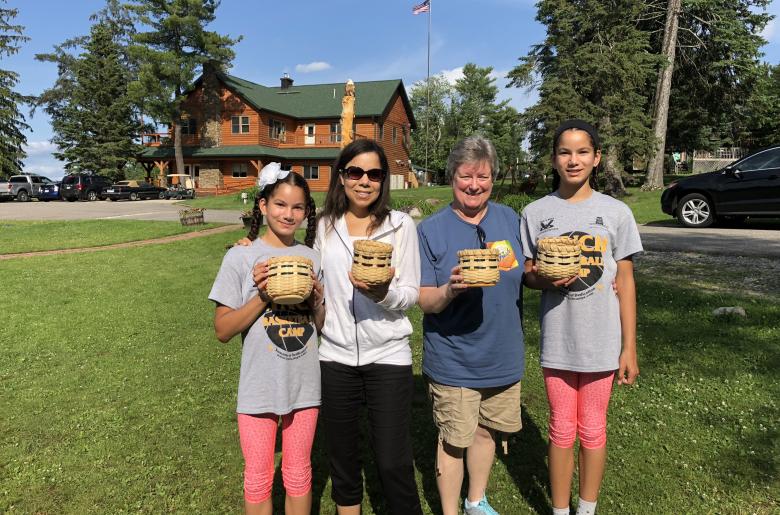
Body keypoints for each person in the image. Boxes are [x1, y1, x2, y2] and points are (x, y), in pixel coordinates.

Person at [520, 120, 642, 515]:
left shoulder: (616, 212)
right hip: (558, 341)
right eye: (565, 152)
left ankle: (586, 510)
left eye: (582, 152)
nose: (573, 160)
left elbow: (624, 279)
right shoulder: (536, 212)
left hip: (602, 343)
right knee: (560, 427)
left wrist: (629, 348)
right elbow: (528, 274)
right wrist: (546, 278)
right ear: (554, 159)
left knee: (592, 428)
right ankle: (559, 510)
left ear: (597, 158)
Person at [417, 135, 525, 515]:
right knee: (453, 438)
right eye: (466, 176)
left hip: (502, 353)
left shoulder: (510, 219)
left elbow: (526, 274)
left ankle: (476, 501)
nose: (474, 185)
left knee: (486, 431)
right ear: (452, 177)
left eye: (482, 176)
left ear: (493, 178)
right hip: (455, 358)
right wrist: (450, 289)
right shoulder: (431, 230)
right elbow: (424, 299)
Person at [209, 163, 325, 515]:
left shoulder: (311, 258)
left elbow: (320, 325)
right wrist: (262, 295)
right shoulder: (240, 257)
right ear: (262, 205)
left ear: (306, 212)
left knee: (299, 474)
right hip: (258, 388)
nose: (288, 214)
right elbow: (223, 330)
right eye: (280, 204)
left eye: (297, 207)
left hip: (304, 387)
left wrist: (316, 301)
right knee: (258, 477)